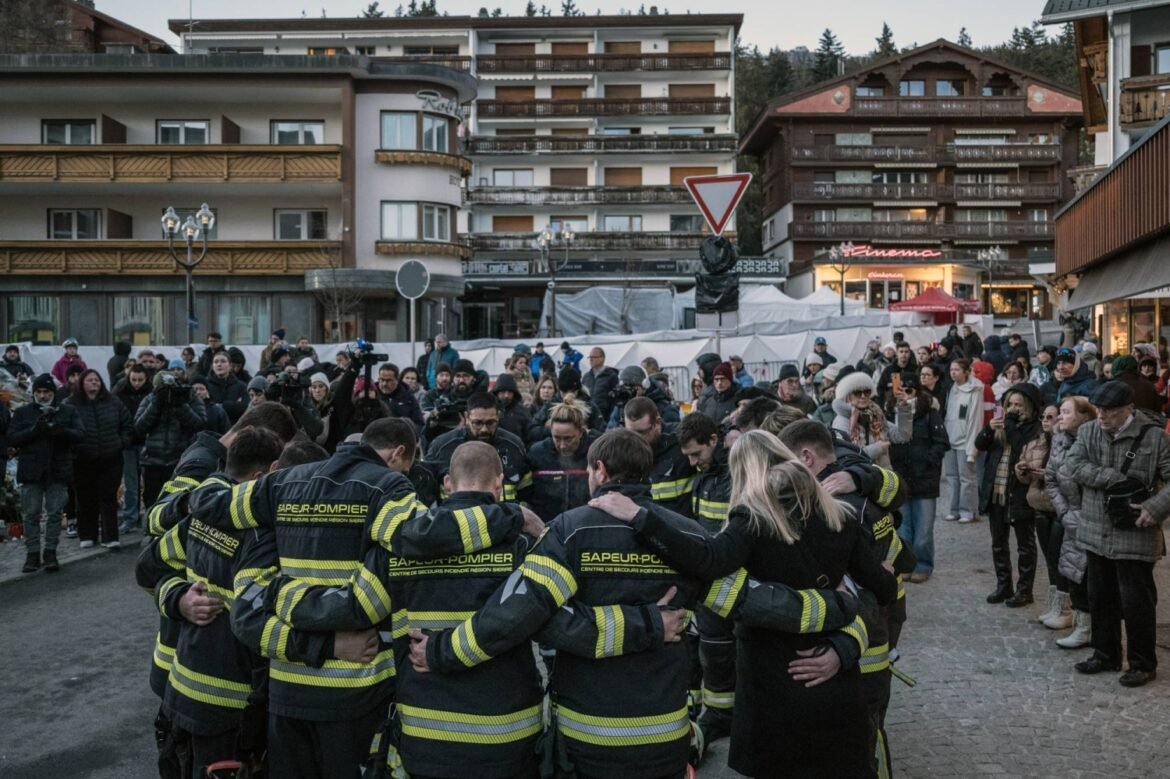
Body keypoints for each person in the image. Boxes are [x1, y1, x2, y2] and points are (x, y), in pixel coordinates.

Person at [411, 429, 706, 779]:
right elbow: (740, 600)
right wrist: (650, 623)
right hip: (664, 731)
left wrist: (441, 651)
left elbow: (529, 615)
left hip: (587, 733)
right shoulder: (688, 536)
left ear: (599, 470)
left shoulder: (570, 530)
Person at [604, 429, 896, 779]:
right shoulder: (840, 516)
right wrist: (849, 635)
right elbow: (881, 590)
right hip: (833, 680)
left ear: (743, 472)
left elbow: (708, 559)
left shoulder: (753, 520)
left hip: (771, 683)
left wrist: (642, 517)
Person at [134, 427, 291, 779]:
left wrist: (176, 599)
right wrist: (179, 600)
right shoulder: (263, 535)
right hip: (229, 706)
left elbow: (148, 568)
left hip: (183, 691)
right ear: (262, 475)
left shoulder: (202, 517)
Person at [1064, 380, 1170, 687]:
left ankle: (1142, 663)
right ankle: (1105, 654)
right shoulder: (1087, 432)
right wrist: (1111, 478)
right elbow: (1075, 465)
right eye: (1099, 410)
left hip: (1136, 529)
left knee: (1136, 601)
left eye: (1110, 411)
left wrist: (1155, 507)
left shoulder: (1154, 438)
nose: (1102, 416)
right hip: (1096, 528)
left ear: (1129, 409)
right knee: (1100, 596)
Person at [675, 412, 737, 744]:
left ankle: (722, 716)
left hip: (732, 580)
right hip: (709, 578)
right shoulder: (705, 476)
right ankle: (708, 713)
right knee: (707, 649)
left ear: (714, 440)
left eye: (697, 454)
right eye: (687, 457)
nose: (693, 462)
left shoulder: (735, 474)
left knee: (720, 651)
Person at [8, 374, 84, 572]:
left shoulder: (67, 411)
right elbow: (12, 437)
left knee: (55, 514)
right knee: (30, 514)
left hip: (58, 470)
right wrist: (35, 430)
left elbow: (79, 434)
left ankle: (50, 552)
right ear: (34, 393)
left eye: (47, 392)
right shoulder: (23, 412)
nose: (42, 396)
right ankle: (32, 554)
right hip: (31, 471)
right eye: (39, 392)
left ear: (53, 393)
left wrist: (61, 430)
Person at [976, 382, 1043, 607]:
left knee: (1025, 544)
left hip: (1019, 493)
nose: (1013, 409)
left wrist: (1011, 426)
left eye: (1018, 405)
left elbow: (1020, 449)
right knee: (998, 542)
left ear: (1029, 407)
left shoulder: (1034, 429)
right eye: (1010, 404)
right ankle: (1003, 586)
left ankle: (1025, 591)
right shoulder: (1002, 424)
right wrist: (989, 429)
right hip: (997, 489)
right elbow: (980, 445)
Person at [1045, 396, 1097, 649]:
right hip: (1070, 515)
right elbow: (1051, 478)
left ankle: (1091, 627)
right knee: (1071, 570)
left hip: (1095, 517)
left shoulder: (1095, 442)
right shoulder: (1059, 439)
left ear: (1084, 416)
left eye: (1066, 412)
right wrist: (1065, 512)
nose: (1060, 416)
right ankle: (1081, 625)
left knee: (1091, 576)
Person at [890, 372, 950, 583]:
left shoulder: (929, 414)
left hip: (924, 479)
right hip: (901, 478)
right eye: (901, 390)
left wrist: (928, 461)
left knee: (924, 529)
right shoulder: (891, 413)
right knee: (904, 528)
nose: (905, 395)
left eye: (909, 390)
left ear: (916, 391)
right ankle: (906, 565)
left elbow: (942, 442)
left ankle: (923, 565)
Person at [65, 369, 133, 550]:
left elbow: (127, 425)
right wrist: (73, 449)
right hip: (82, 459)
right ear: (82, 383)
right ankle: (87, 535)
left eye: (97, 380)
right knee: (85, 498)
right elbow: (63, 429)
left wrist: (121, 442)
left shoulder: (113, 402)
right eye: (89, 380)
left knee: (108, 497)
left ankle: (111, 537)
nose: (94, 383)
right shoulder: (71, 404)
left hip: (110, 458)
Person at [1017, 403, 1070, 628]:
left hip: (1058, 507)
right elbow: (1023, 477)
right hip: (1039, 504)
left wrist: (1049, 474)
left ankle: (1066, 608)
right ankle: (1054, 605)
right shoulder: (1035, 443)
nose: (1046, 420)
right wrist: (1021, 471)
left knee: (1059, 558)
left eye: (1051, 416)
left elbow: (1070, 474)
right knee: (1049, 558)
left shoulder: (1068, 444)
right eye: (1043, 416)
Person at [426, 392, 531, 503]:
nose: (484, 429)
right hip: (452, 517)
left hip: (504, 517)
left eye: (490, 423)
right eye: (477, 423)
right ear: (466, 417)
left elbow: (527, 491)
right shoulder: (442, 446)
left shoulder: (514, 445)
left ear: (498, 417)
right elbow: (427, 488)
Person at [135, 372, 207, 508]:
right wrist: (156, 403)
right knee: (153, 502)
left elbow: (199, 424)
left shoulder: (189, 397)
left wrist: (180, 405)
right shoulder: (150, 399)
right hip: (153, 462)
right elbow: (139, 427)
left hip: (179, 461)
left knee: (178, 503)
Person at [624, 396, 695, 518]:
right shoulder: (624, 447)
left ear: (657, 422)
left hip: (681, 527)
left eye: (641, 433)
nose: (635, 439)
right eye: (631, 433)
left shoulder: (681, 439)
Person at [526, 401, 596, 521]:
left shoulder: (594, 452)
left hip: (585, 524)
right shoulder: (537, 453)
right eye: (557, 438)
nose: (562, 445)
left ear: (580, 432)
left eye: (568, 438)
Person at [830, 371, 911, 469]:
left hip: (883, 476)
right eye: (857, 393)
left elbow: (902, 436)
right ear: (848, 397)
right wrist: (877, 448)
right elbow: (847, 455)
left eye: (867, 391)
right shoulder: (842, 421)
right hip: (861, 477)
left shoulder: (876, 414)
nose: (863, 396)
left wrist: (903, 407)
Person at [944, 359, 983, 523]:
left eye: (957, 369)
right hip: (950, 438)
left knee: (967, 478)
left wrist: (972, 448)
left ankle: (968, 510)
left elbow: (975, 419)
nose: (953, 372)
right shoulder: (951, 389)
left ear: (966, 371)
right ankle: (954, 509)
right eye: (951, 369)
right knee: (952, 477)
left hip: (965, 440)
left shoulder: (975, 389)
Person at [113, 364, 151, 534]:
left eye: (140, 380)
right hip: (128, 443)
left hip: (146, 441)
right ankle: (130, 517)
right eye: (134, 379)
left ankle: (146, 517)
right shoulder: (119, 392)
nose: (137, 383)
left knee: (148, 483)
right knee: (130, 483)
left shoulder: (152, 392)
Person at [201, 351, 249, 423]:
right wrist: (234, 405)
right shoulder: (204, 385)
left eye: (223, 361)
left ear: (230, 366)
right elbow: (202, 408)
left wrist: (223, 405)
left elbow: (246, 408)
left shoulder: (241, 386)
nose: (219, 364)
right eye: (216, 362)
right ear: (212, 366)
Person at [376, 362, 424, 430]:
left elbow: (419, 424)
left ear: (397, 380)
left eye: (388, 380)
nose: (384, 384)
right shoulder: (373, 396)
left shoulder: (408, 398)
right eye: (382, 380)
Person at [492, 372, 532, 445]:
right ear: (497, 392)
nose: (506, 395)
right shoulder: (489, 409)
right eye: (503, 392)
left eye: (510, 392)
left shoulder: (522, 412)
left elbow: (529, 436)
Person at [582, 347, 620, 420]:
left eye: (594, 357)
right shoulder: (586, 377)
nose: (591, 359)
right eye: (590, 357)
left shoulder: (611, 376)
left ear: (602, 358)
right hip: (587, 416)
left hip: (604, 417)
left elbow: (615, 400)